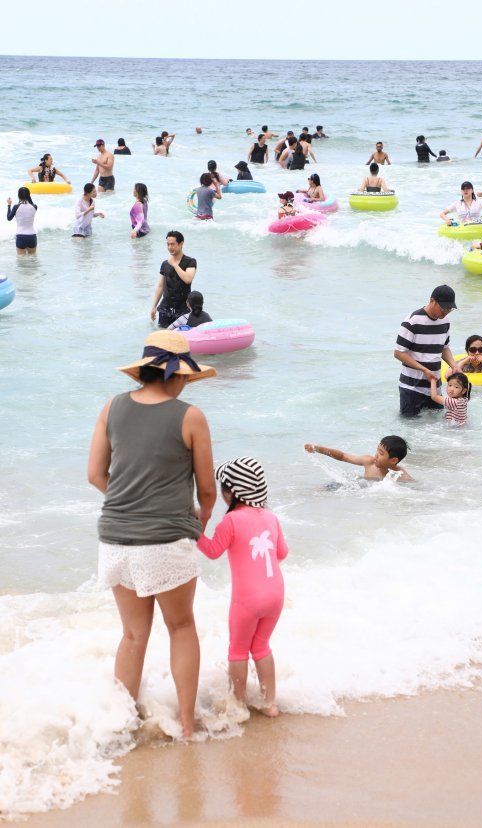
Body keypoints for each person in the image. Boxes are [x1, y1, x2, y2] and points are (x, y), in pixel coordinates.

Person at [88, 330, 216, 739]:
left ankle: (122, 725)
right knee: (180, 627)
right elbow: (207, 489)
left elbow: (95, 475)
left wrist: (130, 501)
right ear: (175, 375)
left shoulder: (112, 407)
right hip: (165, 541)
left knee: (131, 635)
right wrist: (202, 519)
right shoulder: (190, 415)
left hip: (115, 540)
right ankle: (188, 725)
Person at [197, 457, 287, 718]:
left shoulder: (231, 521)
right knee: (261, 646)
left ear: (231, 493)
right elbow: (282, 553)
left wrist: (196, 532)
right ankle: (270, 704)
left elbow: (213, 551)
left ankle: (238, 704)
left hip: (247, 599)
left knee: (238, 649)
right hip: (275, 594)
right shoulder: (272, 518)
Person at [394, 285, 460, 416]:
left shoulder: (445, 321)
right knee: (410, 428)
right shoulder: (412, 321)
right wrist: (424, 370)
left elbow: (444, 347)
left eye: (450, 308)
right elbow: (399, 353)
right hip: (411, 387)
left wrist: (453, 365)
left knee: (435, 429)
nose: (446, 311)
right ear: (432, 301)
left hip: (435, 387)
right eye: (443, 307)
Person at [303, 436, 412, 482]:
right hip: (357, 486)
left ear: (393, 460)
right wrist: (318, 449)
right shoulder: (369, 462)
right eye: (377, 450)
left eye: (381, 453)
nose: (376, 455)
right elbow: (343, 456)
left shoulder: (400, 475)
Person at [151, 231, 197, 328]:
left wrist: (175, 265)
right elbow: (160, 286)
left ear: (181, 244)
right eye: (168, 244)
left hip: (183, 309)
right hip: (165, 308)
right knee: (162, 336)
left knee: (180, 338)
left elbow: (188, 279)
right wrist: (153, 306)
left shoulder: (190, 262)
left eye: (173, 244)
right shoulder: (165, 264)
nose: (170, 247)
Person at [7, 187, 38, 255]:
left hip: (21, 236)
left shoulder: (16, 207)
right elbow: (31, 204)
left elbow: (9, 218)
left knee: (21, 260)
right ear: (29, 195)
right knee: (33, 259)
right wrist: (29, 197)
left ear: (19, 195)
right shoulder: (35, 206)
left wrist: (9, 205)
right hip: (32, 236)